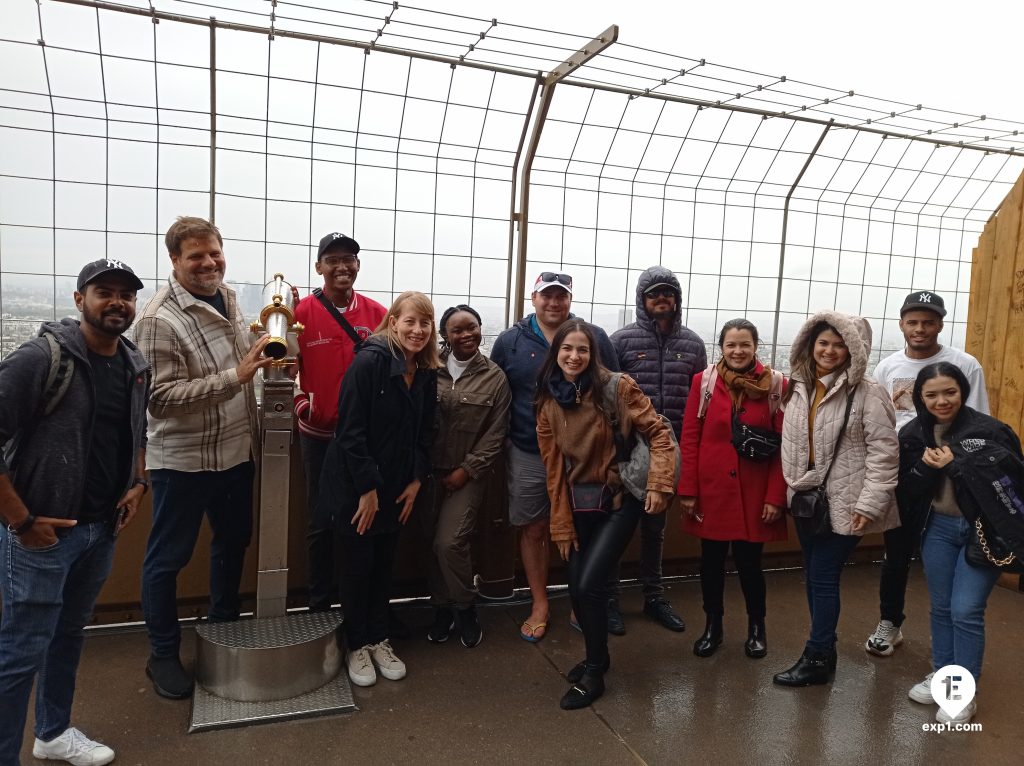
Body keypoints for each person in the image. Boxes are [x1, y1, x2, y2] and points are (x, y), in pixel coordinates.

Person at [0, 260, 149, 766]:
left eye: (126, 295)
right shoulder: (41, 358)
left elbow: (134, 433)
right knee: (20, 652)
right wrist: (21, 520)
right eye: (104, 292)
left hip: (99, 530)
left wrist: (137, 482)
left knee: (67, 634)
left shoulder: (133, 364)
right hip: (41, 536)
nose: (116, 303)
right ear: (78, 299)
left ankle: (53, 732)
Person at [134, 216, 272, 700]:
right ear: (174, 261)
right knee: (167, 559)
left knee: (233, 541)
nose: (209, 263)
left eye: (214, 252)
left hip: (235, 450)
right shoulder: (157, 318)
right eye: (196, 256)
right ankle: (163, 654)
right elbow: (160, 398)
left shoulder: (229, 297)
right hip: (184, 461)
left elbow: (238, 361)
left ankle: (223, 625)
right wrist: (237, 376)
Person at [536, 319, 675, 709]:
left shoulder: (617, 387)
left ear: (593, 354)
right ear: (556, 353)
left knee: (586, 586)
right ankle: (599, 656)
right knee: (578, 587)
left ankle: (595, 671)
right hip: (579, 504)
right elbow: (554, 469)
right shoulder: (548, 400)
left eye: (582, 349)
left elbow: (660, 434)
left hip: (619, 499)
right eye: (567, 349)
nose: (574, 356)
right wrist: (561, 525)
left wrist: (660, 485)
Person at [315, 291, 438, 688]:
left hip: (399, 484)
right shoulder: (369, 363)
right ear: (393, 323)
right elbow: (350, 431)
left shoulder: (425, 371)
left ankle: (378, 637)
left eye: (425, 323)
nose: (418, 330)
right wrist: (367, 489)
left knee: (385, 562)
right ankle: (357, 644)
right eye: (410, 322)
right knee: (355, 566)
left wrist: (417, 479)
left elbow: (426, 432)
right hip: (357, 485)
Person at [772, 311, 899, 687]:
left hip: (849, 501)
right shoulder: (799, 387)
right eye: (823, 342)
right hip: (810, 500)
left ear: (855, 350)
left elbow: (885, 453)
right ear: (809, 344)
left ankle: (817, 655)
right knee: (813, 575)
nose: (830, 350)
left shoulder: (868, 392)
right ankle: (823, 651)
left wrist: (869, 505)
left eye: (840, 344)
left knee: (823, 577)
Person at [490, 273, 618, 643]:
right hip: (529, 451)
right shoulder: (510, 341)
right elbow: (497, 393)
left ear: (570, 300)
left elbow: (613, 387)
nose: (554, 303)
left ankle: (581, 598)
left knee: (583, 526)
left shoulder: (593, 336)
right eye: (547, 295)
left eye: (561, 296)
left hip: (584, 454)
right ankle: (540, 602)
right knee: (533, 528)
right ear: (533, 298)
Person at [865, 289, 989, 657]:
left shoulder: (966, 365)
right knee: (897, 549)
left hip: (952, 469)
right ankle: (890, 621)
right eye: (913, 322)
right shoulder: (887, 367)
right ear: (902, 324)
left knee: (948, 549)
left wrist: (955, 458)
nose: (920, 329)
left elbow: (979, 419)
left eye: (928, 322)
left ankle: (953, 632)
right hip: (905, 466)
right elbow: (880, 421)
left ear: (940, 324)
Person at [899, 363, 1022, 725]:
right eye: (932, 394)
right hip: (936, 528)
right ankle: (943, 675)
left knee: (965, 610)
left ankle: (961, 692)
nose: (941, 401)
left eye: (949, 392)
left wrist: (959, 464)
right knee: (940, 608)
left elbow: (1013, 483)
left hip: (982, 532)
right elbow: (905, 490)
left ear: (963, 391)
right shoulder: (913, 433)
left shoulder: (991, 430)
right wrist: (924, 467)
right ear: (920, 397)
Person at [678, 318, 787, 659]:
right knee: (710, 561)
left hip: (755, 492)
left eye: (745, 344)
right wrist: (688, 488)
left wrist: (775, 496)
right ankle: (713, 625)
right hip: (711, 489)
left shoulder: (776, 385)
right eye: (731, 345)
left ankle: (757, 627)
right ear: (721, 347)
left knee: (750, 563)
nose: (738, 351)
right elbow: (690, 437)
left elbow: (787, 445)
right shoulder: (705, 382)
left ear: (756, 347)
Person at [294, 232, 387, 612]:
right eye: (332, 259)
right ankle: (319, 603)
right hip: (321, 435)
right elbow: (284, 371)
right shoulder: (299, 315)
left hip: (365, 439)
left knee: (371, 519)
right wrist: (304, 407)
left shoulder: (378, 315)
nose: (342, 266)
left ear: (358, 265)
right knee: (321, 520)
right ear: (319, 268)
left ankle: (366, 606)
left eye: (349, 258)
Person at [609, 265, 705, 634]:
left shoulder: (694, 345)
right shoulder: (620, 341)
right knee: (618, 528)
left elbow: (699, 402)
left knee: (655, 529)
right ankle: (611, 601)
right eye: (654, 294)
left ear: (678, 300)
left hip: (671, 451)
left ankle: (653, 597)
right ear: (642, 300)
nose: (662, 299)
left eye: (669, 293)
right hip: (629, 449)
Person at [418, 305, 510, 648]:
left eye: (472, 327)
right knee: (431, 544)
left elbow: (496, 432)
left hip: (468, 475)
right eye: (457, 330)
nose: (467, 335)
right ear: (444, 335)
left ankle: (464, 607)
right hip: (426, 474)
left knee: (449, 542)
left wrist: (466, 470)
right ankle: (442, 608)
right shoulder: (429, 369)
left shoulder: (495, 377)